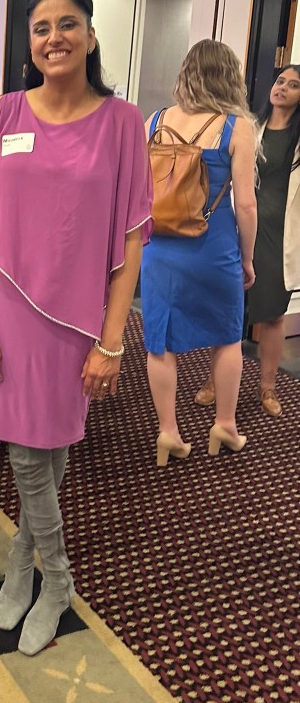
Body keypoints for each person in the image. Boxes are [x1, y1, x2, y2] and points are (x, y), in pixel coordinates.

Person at [0, 0, 151, 655]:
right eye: (41, 27)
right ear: (29, 43)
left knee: (53, 442)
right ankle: (53, 573)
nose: (54, 37)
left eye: (68, 24)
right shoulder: (1, 114)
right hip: (7, 309)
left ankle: (31, 562)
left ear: (91, 37)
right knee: (25, 450)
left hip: (77, 317)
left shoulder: (123, 122)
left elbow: (131, 240)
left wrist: (113, 341)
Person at [142, 39, 258, 465]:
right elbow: (246, 205)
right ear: (229, 77)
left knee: (160, 342)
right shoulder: (236, 127)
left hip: (159, 246)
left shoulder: (155, 121)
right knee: (227, 337)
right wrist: (248, 259)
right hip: (214, 246)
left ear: (186, 73)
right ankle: (224, 425)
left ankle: (168, 433)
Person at [194, 64, 300, 417]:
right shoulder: (248, 127)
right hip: (238, 226)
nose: (282, 88)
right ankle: (214, 380)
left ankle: (268, 387)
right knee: (228, 309)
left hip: (281, 236)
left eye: (293, 85)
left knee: (272, 315)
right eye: (280, 81)